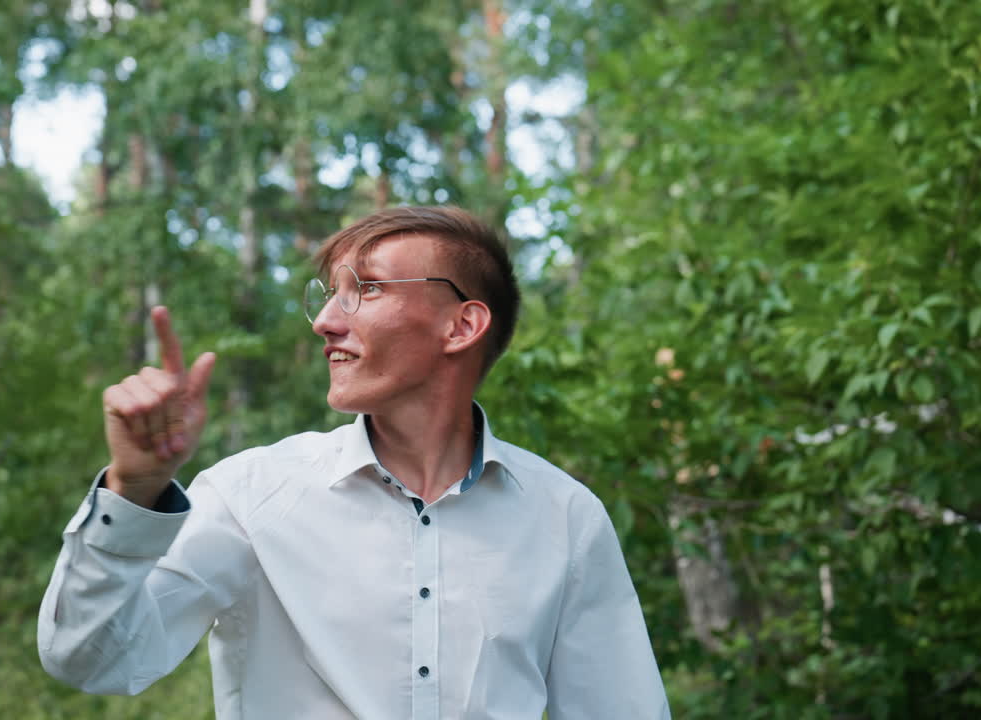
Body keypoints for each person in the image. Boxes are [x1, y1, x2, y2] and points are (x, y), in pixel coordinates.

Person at [38, 206, 670, 719]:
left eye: (364, 290)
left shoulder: (565, 518)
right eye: (328, 294)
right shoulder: (249, 496)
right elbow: (92, 660)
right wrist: (133, 493)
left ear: (462, 325)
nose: (323, 322)